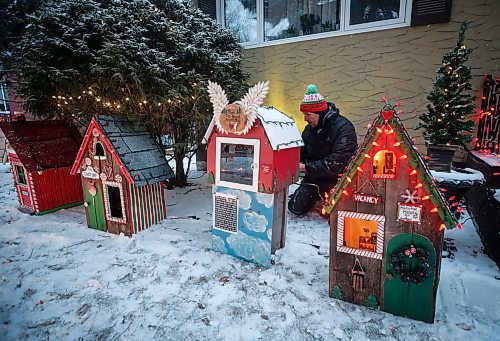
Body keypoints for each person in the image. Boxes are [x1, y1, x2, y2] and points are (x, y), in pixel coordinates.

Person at [288, 84, 358, 216]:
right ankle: (314, 196)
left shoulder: (344, 128)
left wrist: (306, 167)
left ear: (319, 113)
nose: (305, 119)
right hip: (314, 177)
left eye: (307, 114)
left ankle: (326, 199)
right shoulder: (309, 130)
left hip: (338, 180)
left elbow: (338, 162)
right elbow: (302, 153)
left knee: (330, 214)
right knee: (295, 208)